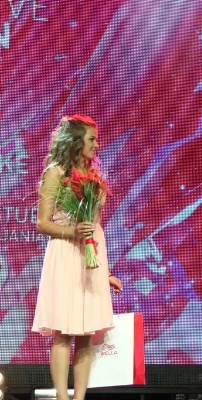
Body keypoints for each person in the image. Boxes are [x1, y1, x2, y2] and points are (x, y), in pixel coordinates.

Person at [31, 115, 123, 400]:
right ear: (75, 141)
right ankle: (62, 397)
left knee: (85, 333)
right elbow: (42, 223)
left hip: (89, 256)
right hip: (65, 254)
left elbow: (95, 226)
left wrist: (105, 272)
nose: (97, 144)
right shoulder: (56, 173)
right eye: (92, 139)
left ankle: (80, 397)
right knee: (63, 332)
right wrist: (73, 231)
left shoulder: (95, 177)